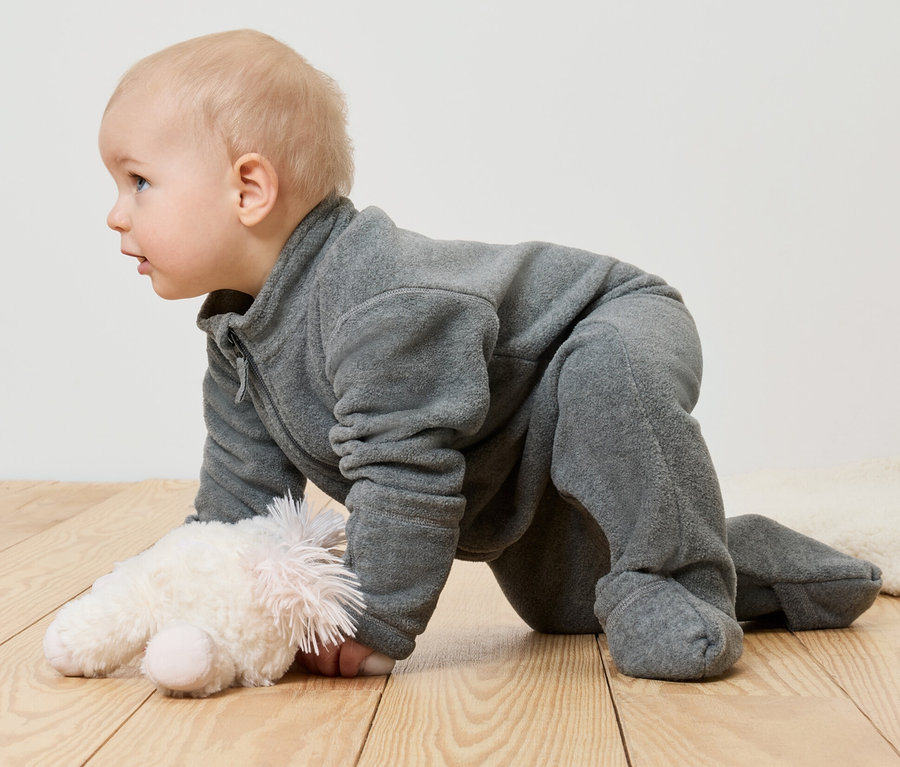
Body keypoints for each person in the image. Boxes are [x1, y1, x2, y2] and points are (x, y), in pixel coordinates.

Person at [98, 29, 882, 681]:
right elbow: (239, 508)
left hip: (604, 322)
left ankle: (681, 578)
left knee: (607, 380)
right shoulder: (241, 342)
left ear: (248, 189)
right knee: (568, 609)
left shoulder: (376, 301)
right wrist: (176, 588)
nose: (114, 213)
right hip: (516, 456)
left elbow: (406, 476)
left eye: (138, 182)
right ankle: (774, 564)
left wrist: (368, 618)